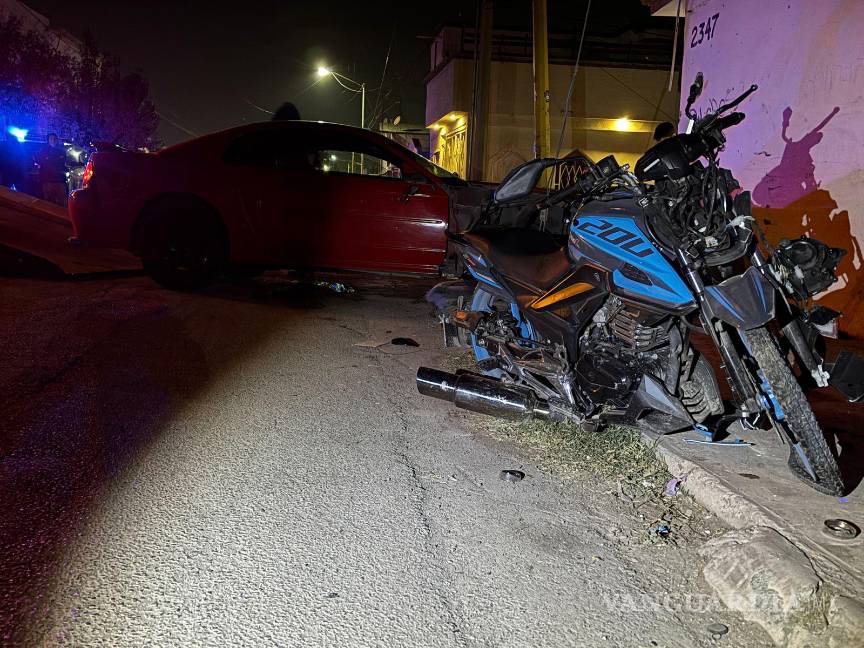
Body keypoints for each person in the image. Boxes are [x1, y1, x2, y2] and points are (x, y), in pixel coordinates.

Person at [35, 133, 67, 206]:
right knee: (49, 202)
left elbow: (63, 163)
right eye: (51, 139)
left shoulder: (62, 151)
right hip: (48, 180)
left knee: (62, 201)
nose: (53, 140)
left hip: (59, 180)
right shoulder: (43, 151)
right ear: (48, 140)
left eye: (55, 138)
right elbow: (38, 160)